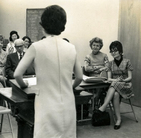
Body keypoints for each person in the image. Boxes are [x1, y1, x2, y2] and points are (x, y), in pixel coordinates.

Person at [14, 5, 82, 138]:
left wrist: (24, 85)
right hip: (67, 104)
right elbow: (79, 77)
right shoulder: (71, 47)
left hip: (46, 104)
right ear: (63, 25)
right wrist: (70, 87)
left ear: (43, 25)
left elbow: (17, 74)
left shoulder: (36, 47)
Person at [97, 41, 133, 130]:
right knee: (116, 94)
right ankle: (118, 120)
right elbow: (109, 79)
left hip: (126, 85)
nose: (113, 53)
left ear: (120, 51)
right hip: (115, 87)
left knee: (114, 84)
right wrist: (117, 80)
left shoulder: (127, 61)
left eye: (115, 51)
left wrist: (122, 80)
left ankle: (104, 106)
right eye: (111, 51)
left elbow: (130, 77)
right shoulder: (110, 63)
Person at [84, 37, 109, 108]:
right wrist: (99, 67)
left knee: (100, 85)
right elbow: (86, 68)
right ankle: (94, 104)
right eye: (94, 45)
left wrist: (94, 68)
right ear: (91, 45)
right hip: (91, 78)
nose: (95, 47)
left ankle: (95, 102)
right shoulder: (88, 56)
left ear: (100, 47)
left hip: (102, 77)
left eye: (97, 45)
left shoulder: (104, 56)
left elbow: (107, 67)